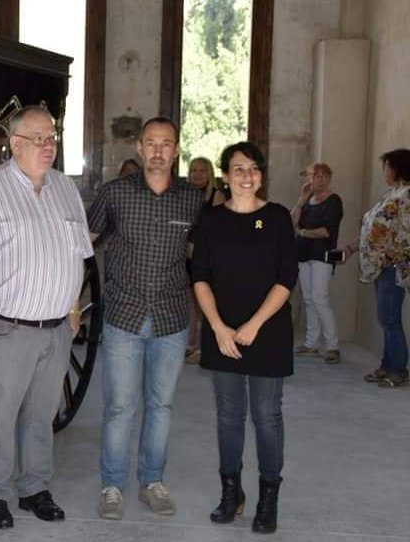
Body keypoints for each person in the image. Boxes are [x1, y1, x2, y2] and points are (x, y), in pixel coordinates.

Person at [0, 105, 93, 530]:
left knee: (42, 415)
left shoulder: (66, 189)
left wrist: (72, 307)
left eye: (52, 138)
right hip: (8, 329)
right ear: (14, 144)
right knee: (1, 414)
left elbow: (80, 255)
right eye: (38, 138)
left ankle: (35, 488)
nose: (48, 146)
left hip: (56, 330)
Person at [86, 117, 202, 520]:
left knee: (161, 405)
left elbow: (204, 257)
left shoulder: (192, 199)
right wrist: (68, 298)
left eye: (165, 144)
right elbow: (85, 244)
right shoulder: (115, 194)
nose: (157, 151)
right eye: (150, 143)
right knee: (120, 407)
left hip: (171, 317)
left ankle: (152, 480)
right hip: (123, 316)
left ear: (175, 149)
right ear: (138, 146)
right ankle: (112, 486)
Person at [191, 141, 297, 534]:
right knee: (229, 416)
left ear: (262, 175)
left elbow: (286, 277)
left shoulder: (278, 217)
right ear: (225, 175)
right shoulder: (213, 220)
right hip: (223, 334)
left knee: (267, 417)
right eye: (238, 169)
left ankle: (269, 497)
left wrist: (254, 325)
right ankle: (231, 491)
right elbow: (199, 276)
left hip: (267, 332)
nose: (247, 176)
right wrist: (217, 327)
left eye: (254, 168)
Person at [341, 148, 410, 388]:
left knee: (390, 319)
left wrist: (389, 257)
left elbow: (402, 234)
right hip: (380, 266)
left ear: (397, 168)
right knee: (386, 319)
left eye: (387, 167)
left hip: (392, 266)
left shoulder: (407, 196)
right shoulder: (393, 193)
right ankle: (387, 365)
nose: (384, 172)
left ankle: (398, 369)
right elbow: (373, 228)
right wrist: (352, 248)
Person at [291, 163, 343, 363]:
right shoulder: (307, 200)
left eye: (323, 176)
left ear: (329, 178)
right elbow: (292, 221)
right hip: (303, 254)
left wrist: (303, 232)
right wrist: (301, 198)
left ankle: (332, 346)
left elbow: (326, 231)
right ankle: (311, 344)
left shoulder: (333, 201)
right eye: (315, 176)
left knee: (320, 299)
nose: (319, 179)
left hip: (322, 255)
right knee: (309, 299)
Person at [185, 156, 225, 363]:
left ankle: (204, 347)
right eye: (194, 170)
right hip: (185, 254)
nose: (198, 174)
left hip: (205, 254)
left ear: (209, 173)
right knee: (190, 303)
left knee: (205, 303)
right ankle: (190, 344)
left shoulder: (217, 196)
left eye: (202, 170)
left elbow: (219, 228)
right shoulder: (184, 194)